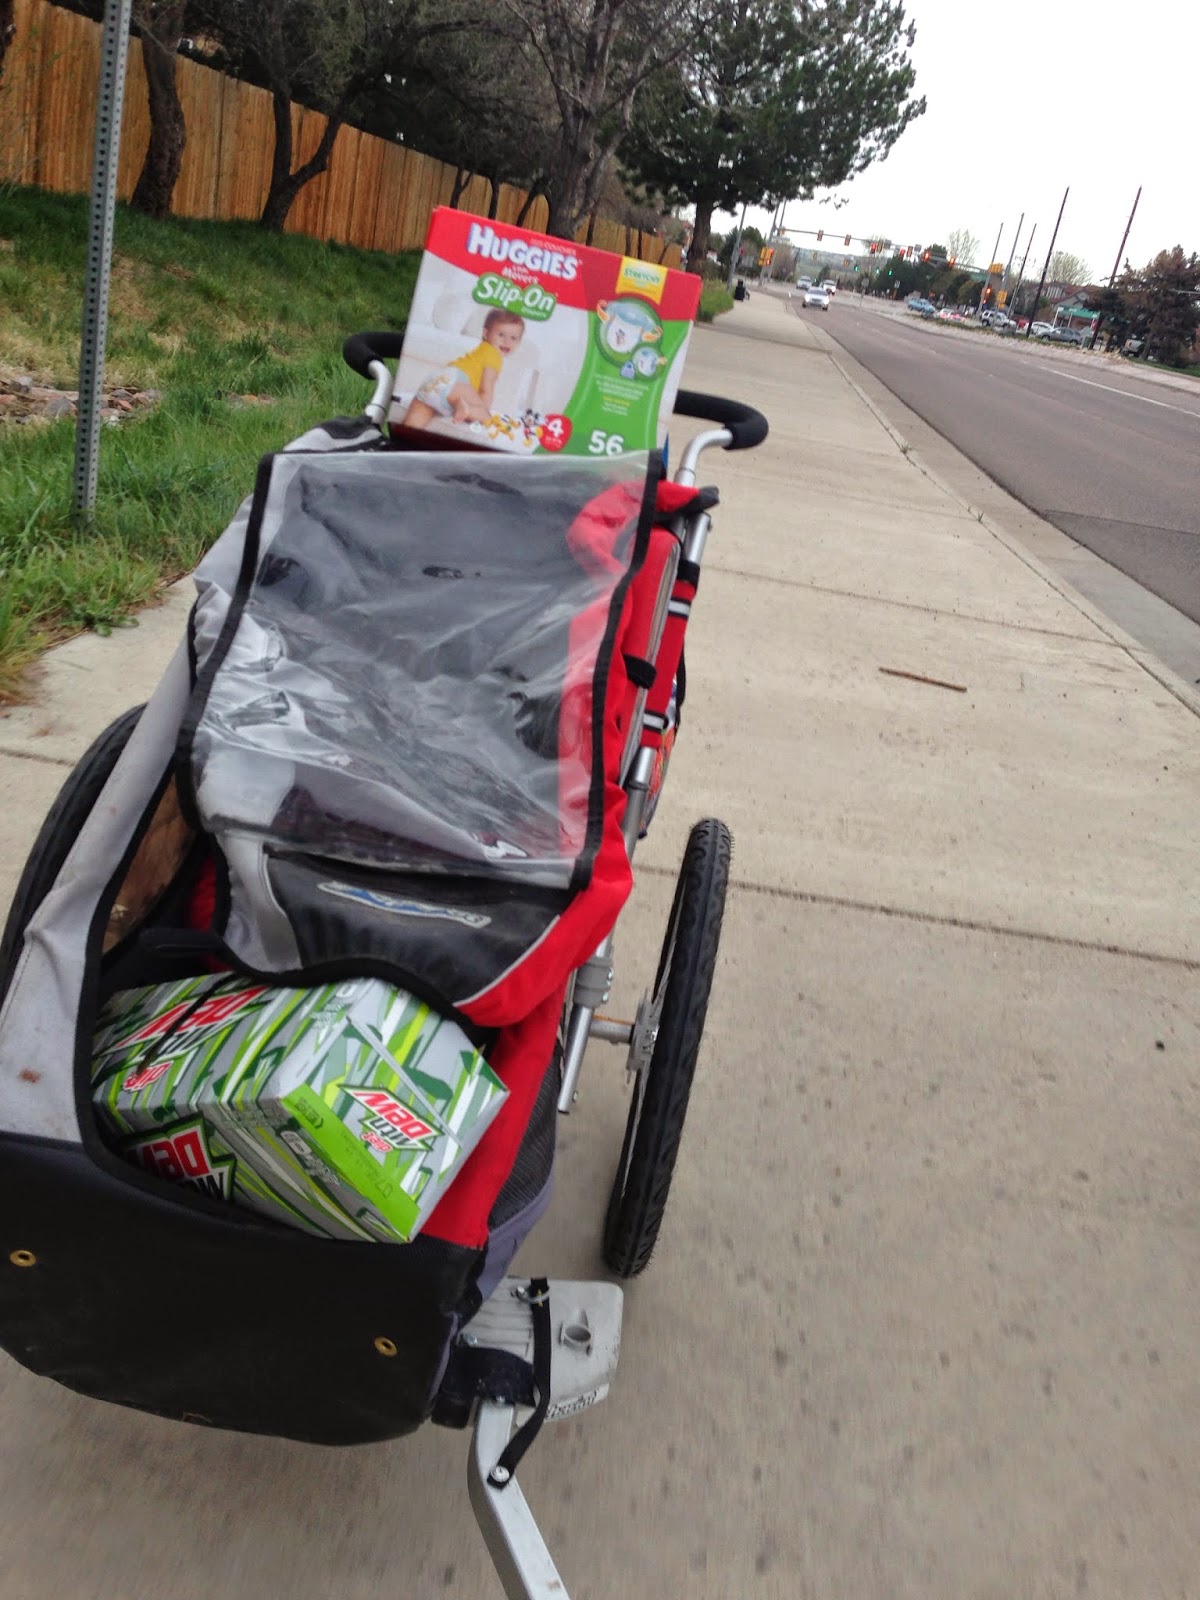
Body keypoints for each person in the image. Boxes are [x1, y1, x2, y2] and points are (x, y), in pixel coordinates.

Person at [402, 309, 524, 430]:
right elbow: (486, 389)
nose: (507, 341)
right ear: (486, 334)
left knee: (410, 428)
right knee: (485, 416)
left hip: (435, 381)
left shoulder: (482, 349)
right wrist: (481, 412)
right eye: (501, 335)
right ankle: (465, 408)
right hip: (457, 381)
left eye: (513, 338)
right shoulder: (494, 355)